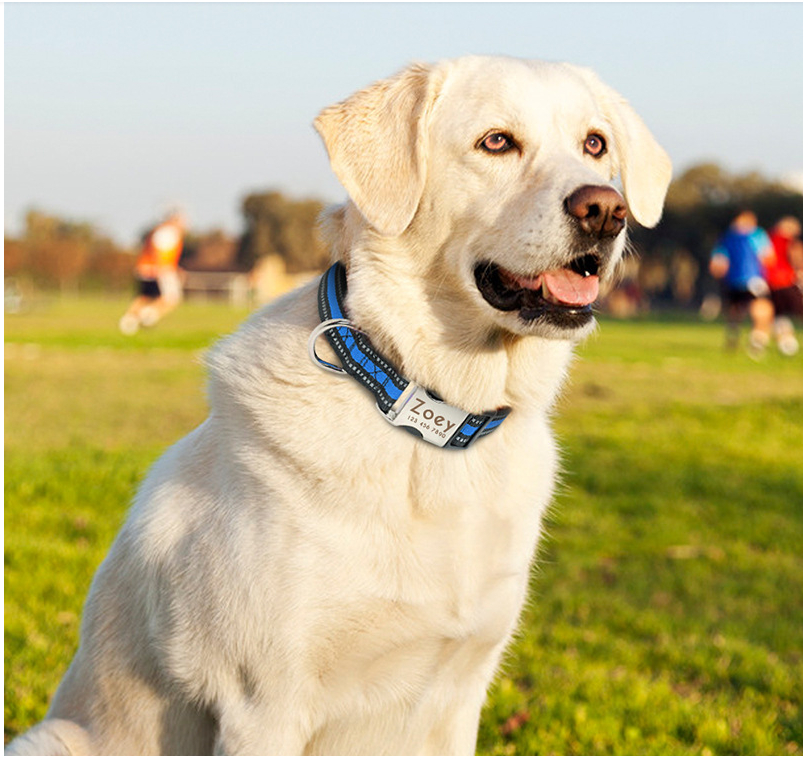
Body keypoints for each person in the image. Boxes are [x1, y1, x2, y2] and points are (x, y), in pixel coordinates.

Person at [709, 210, 774, 358]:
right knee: (763, 309)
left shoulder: (726, 238)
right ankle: (757, 340)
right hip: (754, 279)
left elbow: (717, 264)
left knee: (735, 311)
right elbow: (768, 257)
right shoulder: (756, 235)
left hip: (732, 281)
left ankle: (732, 338)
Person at [119, 212, 186, 335]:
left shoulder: (160, 231)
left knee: (145, 296)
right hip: (157, 270)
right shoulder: (168, 233)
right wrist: (164, 269)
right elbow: (160, 253)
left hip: (150, 268)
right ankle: (146, 315)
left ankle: (134, 319)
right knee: (170, 298)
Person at [765, 216, 803, 356]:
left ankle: (786, 342)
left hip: (769, 284)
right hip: (786, 281)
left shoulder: (766, 238)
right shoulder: (790, 242)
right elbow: (797, 259)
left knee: (779, 314)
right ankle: (787, 342)